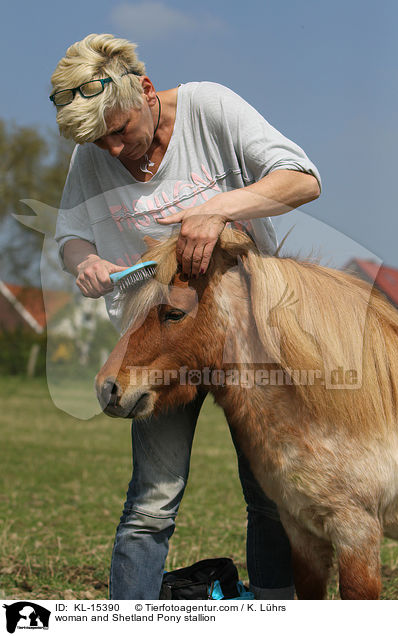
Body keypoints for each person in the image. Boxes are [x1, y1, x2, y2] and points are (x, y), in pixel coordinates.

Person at [51, 33, 321, 600]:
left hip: (247, 338)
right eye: (99, 142)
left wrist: (215, 209)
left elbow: (302, 178)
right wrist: (87, 263)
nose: (113, 152)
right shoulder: (95, 147)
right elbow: (70, 237)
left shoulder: (209, 108)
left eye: (120, 132)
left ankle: (276, 614)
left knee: (269, 498)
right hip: (161, 343)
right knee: (152, 501)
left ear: (146, 91)